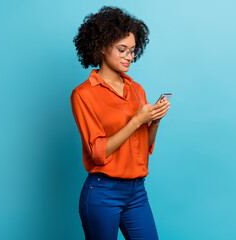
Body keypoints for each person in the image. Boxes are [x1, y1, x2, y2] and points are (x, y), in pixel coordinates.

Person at [70, 6, 170, 240]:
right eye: (122, 50)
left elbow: (144, 148)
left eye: (133, 51)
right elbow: (98, 152)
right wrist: (137, 120)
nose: (129, 57)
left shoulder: (137, 89)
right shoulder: (83, 94)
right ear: (102, 47)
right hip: (103, 192)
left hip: (137, 191)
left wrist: (153, 122)